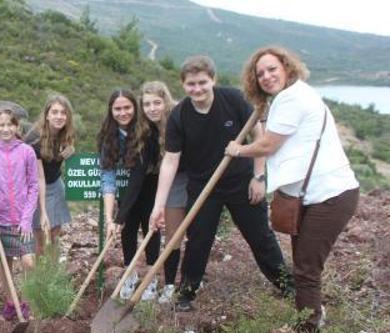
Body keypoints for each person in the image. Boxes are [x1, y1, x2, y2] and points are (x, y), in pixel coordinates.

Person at [225, 46, 359, 332]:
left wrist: (238, 149)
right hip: (315, 195)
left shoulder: (292, 98)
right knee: (303, 262)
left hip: (330, 195)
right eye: (260, 73)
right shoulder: (294, 95)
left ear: (287, 67)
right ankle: (310, 316)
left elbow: (267, 145)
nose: (266, 76)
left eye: (272, 69)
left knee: (306, 268)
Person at [149, 55, 293, 312]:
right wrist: (158, 205)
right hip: (203, 188)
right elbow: (170, 161)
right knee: (198, 241)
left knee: (260, 237)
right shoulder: (180, 115)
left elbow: (258, 137)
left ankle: (287, 286)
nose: (197, 89)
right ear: (183, 85)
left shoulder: (233, 99)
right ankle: (186, 293)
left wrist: (259, 177)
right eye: (191, 84)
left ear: (212, 80)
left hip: (241, 182)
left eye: (202, 82)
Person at [98, 89, 161, 301]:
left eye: (127, 107)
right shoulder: (107, 136)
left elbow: (139, 174)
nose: (123, 112)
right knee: (128, 232)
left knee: (150, 230)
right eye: (117, 108)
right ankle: (130, 276)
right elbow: (108, 177)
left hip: (149, 185)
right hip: (127, 190)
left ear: (135, 108)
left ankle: (151, 279)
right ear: (111, 110)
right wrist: (110, 218)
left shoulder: (146, 132)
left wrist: (119, 217)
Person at [0, 108, 39, 319]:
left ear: (17, 127)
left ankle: (28, 303)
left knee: (29, 262)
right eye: (1, 125)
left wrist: (26, 219)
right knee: (5, 264)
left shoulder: (27, 152)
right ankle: (11, 303)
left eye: (9, 125)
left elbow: (33, 187)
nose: (6, 129)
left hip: (22, 221)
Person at [138, 81, 187, 303]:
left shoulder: (180, 118)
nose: (152, 108)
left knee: (197, 231)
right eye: (147, 104)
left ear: (166, 101)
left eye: (157, 102)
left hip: (195, 176)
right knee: (173, 234)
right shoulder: (147, 129)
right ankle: (169, 284)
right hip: (172, 180)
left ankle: (191, 279)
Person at [24, 94, 76, 257]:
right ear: (47, 115)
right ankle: (40, 279)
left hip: (55, 185)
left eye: (63, 112)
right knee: (40, 239)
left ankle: (53, 276)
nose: (59, 116)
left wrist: (71, 150)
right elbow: (38, 178)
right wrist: (43, 210)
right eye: (55, 112)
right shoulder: (34, 139)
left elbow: (64, 155)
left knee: (54, 236)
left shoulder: (65, 133)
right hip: (36, 188)